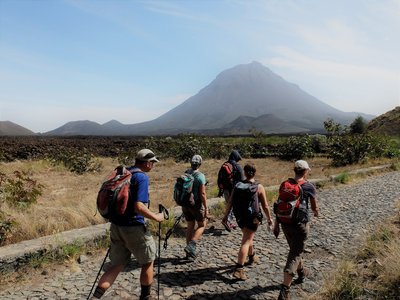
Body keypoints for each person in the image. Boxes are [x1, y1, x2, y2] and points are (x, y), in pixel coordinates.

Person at [92, 149, 165, 300]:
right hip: (134, 227)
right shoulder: (141, 177)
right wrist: (156, 217)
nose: (153, 166)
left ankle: (96, 297)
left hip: (116, 227)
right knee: (148, 261)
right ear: (147, 163)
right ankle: (146, 297)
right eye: (153, 163)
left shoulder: (124, 173)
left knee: (116, 266)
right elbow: (139, 207)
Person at [276, 160, 319, 300]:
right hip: (300, 225)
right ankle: (285, 289)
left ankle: (301, 273)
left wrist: (277, 223)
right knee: (295, 254)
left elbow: (279, 204)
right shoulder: (309, 186)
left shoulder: (285, 185)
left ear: (294, 170)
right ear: (306, 171)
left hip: (285, 223)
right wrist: (316, 212)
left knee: (295, 249)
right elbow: (314, 207)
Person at [222, 163, 273, 280]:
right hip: (253, 218)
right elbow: (265, 205)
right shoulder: (259, 187)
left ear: (244, 173)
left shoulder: (238, 185)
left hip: (240, 217)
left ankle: (252, 256)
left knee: (248, 236)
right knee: (246, 240)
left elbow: (230, 202)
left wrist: (226, 216)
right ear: (255, 173)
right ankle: (239, 268)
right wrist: (269, 218)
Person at [182, 154, 208, 259]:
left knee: (190, 226)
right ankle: (192, 245)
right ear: (200, 164)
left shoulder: (186, 173)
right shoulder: (200, 176)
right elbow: (202, 194)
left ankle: (189, 253)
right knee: (202, 225)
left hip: (185, 204)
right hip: (196, 204)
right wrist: (206, 207)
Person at [219, 150, 245, 230]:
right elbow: (242, 179)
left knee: (229, 205)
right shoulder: (238, 167)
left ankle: (229, 222)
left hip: (225, 189)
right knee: (234, 206)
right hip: (234, 190)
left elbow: (219, 178)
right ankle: (227, 220)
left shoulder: (224, 165)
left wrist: (220, 190)